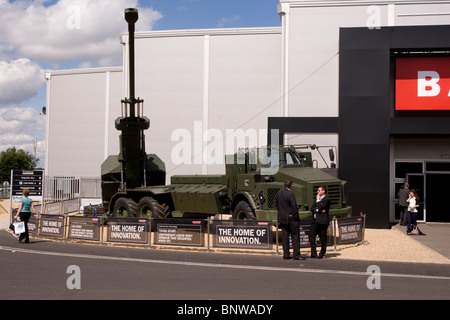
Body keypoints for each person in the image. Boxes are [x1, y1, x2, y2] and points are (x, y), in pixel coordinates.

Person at [276, 180, 303, 260]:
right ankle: (296, 254)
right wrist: (296, 217)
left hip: (283, 218)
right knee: (295, 236)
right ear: (291, 186)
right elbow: (294, 207)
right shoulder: (291, 194)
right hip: (291, 218)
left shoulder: (279, 193)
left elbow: (277, 205)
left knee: (285, 237)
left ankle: (286, 254)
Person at [309, 186, 331, 259]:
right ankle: (313, 253)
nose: (317, 192)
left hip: (322, 222)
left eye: (319, 190)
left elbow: (321, 207)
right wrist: (318, 210)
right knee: (311, 236)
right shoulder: (317, 200)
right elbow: (312, 208)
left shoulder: (326, 199)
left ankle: (322, 253)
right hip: (315, 221)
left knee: (323, 238)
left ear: (323, 191)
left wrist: (318, 201)